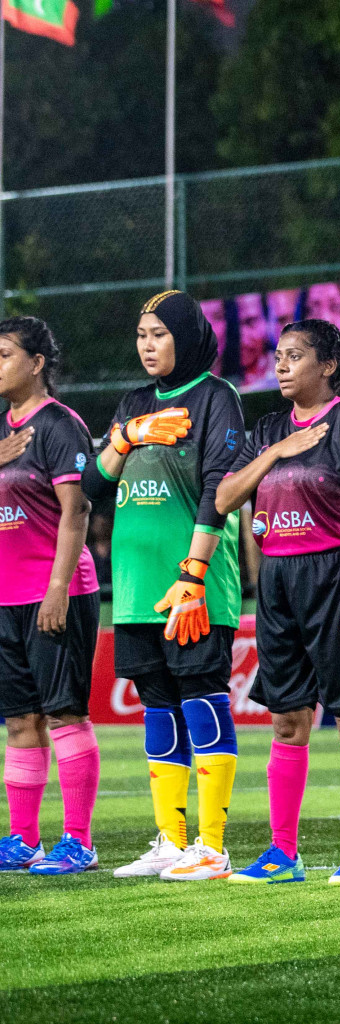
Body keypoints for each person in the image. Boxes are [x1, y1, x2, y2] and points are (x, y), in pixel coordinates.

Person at [214, 319, 340, 886]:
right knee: (288, 719)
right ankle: (281, 854)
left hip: (337, 576)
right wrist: (275, 453)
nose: (282, 364)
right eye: (278, 355)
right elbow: (223, 497)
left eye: (295, 356)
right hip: (277, 583)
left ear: (329, 365)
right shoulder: (267, 428)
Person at [81, 291, 245, 881]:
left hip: (190, 587)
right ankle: (172, 842)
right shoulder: (132, 402)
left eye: (159, 334)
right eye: (142, 334)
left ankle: (212, 845)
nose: (148, 345)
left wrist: (194, 573)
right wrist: (127, 437)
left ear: (186, 336)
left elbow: (218, 491)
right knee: (158, 707)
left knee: (202, 699)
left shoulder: (215, 397)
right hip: (132, 588)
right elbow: (90, 483)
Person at [0, 317, 102, 875]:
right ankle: (22, 838)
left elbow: (77, 510)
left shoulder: (60, 425)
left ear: (37, 363)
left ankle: (78, 840)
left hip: (52, 592)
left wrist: (57, 588)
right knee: (20, 721)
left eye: (5, 354)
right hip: (4, 598)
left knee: (64, 714)